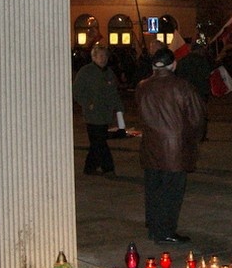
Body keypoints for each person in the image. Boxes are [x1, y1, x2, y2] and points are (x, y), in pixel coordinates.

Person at [136, 48, 206, 244]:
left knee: (153, 189)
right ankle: (166, 230)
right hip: (174, 149)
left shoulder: (142, 86)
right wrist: (193, 138)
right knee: (171, 192)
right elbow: (197, 117)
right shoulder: (182, 87)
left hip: (150, 146)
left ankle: (153, 225)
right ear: (173, 64)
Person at [73, 45, 124, 176]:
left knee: (96, 142)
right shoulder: (86, 71)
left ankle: (89, 167)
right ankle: (108, 167)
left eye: (105, 56)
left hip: (105, 114)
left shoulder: (109, 73)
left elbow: (113, 93)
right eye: (100, 56)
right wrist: (87, 103)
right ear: (94, 57)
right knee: (100, 141)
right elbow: (77, 91)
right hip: (92, 114)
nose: (103, 59)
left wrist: (119, 109)